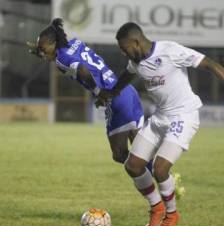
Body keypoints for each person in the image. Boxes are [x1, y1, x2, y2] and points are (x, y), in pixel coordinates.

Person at [100, 22, 224, 226]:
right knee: (133, 165)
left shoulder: (170, 51)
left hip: (184, 116)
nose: (122, 51)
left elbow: (211, 64)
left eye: (124, 47)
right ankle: (156, 209)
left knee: (160, 168)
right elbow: (127, 74)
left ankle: (172, 214)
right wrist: (112, 92)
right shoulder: (135, 60)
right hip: (160, 118)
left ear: (136, 42)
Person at [27, 18, 153, 172]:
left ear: (53, 42)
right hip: (126, 90)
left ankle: (154, 181)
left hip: (114, 98)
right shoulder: (75, 43)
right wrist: (44, 53)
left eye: (42, 48)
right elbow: (70, 57)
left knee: (120, 154)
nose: (41, 52)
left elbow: (81, 69)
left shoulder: (61, 59)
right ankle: (164, 175)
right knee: (140, 149)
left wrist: (99, 93)